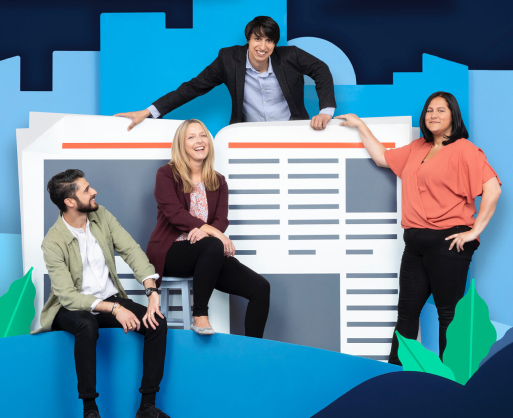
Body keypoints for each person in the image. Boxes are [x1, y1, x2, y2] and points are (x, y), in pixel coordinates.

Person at [336, 92, 502, 365]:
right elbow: (382, 158)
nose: (433, 115)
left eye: (441, 110)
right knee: (407, 313)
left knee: (448, 314)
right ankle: (396, 376)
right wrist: (360, 125)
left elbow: (492, 189)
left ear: (453, 117)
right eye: (429, 111)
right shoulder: (417, 148)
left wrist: (473, 232)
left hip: (447, 241)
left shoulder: (464, 149)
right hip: (415, 242)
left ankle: (452, 381)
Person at [35, 169, 170, 418]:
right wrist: (116, 309)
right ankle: (90, 410)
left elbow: (131, 250)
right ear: (70, 202)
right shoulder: (52, 242)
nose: (94, 191)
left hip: (108, 299)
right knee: (86, 324)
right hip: (70, 308)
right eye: (86, 189)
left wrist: (151, 290)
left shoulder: (101, 215)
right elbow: (67, 295)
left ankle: (147, 407)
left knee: (157, 323)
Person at [146, 119, 270, 337]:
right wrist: (215, 234)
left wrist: (209, 232)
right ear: (181, 144)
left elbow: (221, 218)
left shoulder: (218, 180)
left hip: (207, 255)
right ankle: (200, 314)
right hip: (172, 251)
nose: (199, 141)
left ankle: (254, 350)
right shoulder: (166, 174)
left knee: (261, 288)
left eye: (203, 135)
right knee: (212, 244)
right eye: (191, 137)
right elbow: (175, 214)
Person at [115, 16, 336, 131]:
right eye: (257, 39)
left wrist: (325, 111)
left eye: (269, 40)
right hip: (247, 136)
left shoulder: (291, 56)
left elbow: (321, 70)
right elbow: (192, 88)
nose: (263, 46)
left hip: (291, 131)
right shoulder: (229, 60)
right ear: (248, 40)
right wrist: (149, 111)